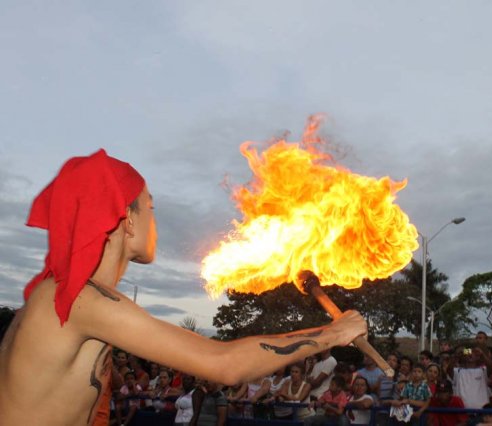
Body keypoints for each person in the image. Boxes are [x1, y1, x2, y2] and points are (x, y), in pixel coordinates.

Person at [0, 149, 367, 425]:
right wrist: (331, 333)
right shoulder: (79, 299)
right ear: (128, 221)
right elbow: (224, 365)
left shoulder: (71, 296)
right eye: (151, 207)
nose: (155, 221)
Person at [449, 344, 492, 409]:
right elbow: (449, 370)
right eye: (468, 352)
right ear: (464, 356)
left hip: (482, 413)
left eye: (474, 353)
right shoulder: (457, 371)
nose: (470, 354)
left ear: (478, 357)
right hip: (462, 413)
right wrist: (457, 356)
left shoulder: (483, 370)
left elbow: (491, 367)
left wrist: (482, 354)